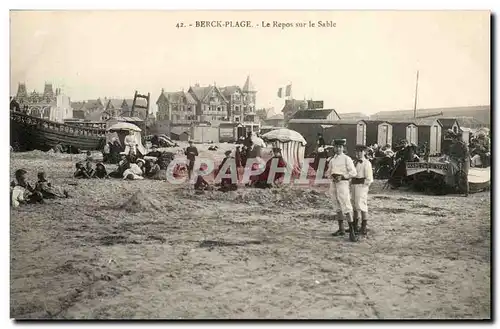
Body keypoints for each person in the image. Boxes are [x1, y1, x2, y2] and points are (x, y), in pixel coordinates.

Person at [326, 139, 358, 242]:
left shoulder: (347, 159)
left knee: (346, 206)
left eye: (340, 147)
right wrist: (331, 176)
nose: (338, 149)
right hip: (334, 184)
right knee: (337, 206)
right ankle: (341, 229)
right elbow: (328, 172)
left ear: (343, 148)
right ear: (334, 148)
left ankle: (352, 232)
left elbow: (353, 172)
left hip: (343, 185)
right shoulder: (332, 160)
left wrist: (343, 177)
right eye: (336, 147)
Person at [351, 145, 373, 236]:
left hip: (362, 186)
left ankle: (363, 227)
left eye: (360, 152)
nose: (358, 154)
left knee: (362, 205)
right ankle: (355, 226)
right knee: (354, 205)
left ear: (364, 152)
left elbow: (369, 178)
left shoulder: (366, 163)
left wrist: (363, 185)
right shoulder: (354, 162)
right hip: (354, 185)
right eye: (357, 152)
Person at [447, 129, 470, 196]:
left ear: (456, 139)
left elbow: (466, 154)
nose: (452, 140)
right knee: (457, 174)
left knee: (464, 175)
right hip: (459, 161)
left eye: (453, 139)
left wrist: (461, 159)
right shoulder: (454, 146)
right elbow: (452, 154)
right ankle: (459, 189)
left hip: (465, 161)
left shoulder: (463, 145)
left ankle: (466, 192)